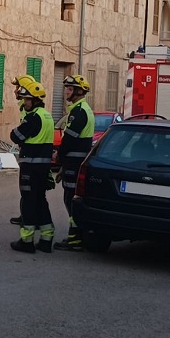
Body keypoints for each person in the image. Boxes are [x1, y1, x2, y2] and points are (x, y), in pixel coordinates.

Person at [9, 75, 56, 254]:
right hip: (43, 167)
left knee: (28, 202)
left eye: (27, 99)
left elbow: (16, 136)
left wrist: (15, 131)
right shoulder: (47, 116)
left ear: (35, 100)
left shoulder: (33, 118)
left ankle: (26, 241)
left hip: (30, 166)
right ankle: (46, 237)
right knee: (40, 201)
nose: (24, 102)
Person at [53, 75, 95, 252]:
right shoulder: (81, 109)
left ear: (79, 92)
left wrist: (59, 155)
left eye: (70, 89)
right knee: (71, 197)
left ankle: (75, 237)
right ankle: (78, 235)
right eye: (66, 89)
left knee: (71, 198)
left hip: (74, 161)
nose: (66, 92)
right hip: (75, 161)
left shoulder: (79, 112)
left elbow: (69, 139)